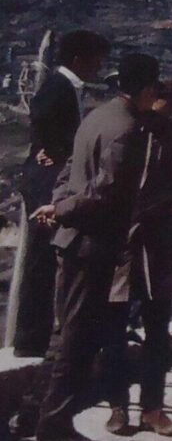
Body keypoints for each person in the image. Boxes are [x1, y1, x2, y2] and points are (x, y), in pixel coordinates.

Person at [28, 53, 158, 441]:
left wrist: (59, 204)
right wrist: (63, 209)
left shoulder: (97, 117)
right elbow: (105, 192)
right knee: (78, 339)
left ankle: (32, 414)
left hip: (73, 241)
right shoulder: (128, 129)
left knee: (63, 333)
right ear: (147, 88)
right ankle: (54, 423)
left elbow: (68, 170)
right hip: (93, 246)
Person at [9, 29, 110, 357]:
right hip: (46, 181)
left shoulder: (68, 87)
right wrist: (54, 148)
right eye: (96, 59)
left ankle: (41, 335)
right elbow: (40, 114)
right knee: (40, 259)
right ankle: (30, 339)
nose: (99, 66)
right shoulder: (59, 86)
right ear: (79, 59)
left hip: (53, 176)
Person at [117, 78, 172, 436]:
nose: (170, 107)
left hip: (159, 241)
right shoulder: (127, 129)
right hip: (120, 240)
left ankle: (153, 408)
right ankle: (118, 406)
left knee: (157, 325)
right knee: (115, 324)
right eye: (165, 100)